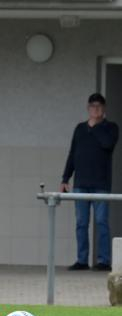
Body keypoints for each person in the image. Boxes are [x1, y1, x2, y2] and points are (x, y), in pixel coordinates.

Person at [61, 93, 119, 271]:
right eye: (93, 106)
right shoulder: (79, 129)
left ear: (104, 109)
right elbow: (72, 154)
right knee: (81, 223)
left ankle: (103, 260)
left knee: (101, 222)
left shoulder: (111, 127)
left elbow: (108, 144)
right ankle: (82, 260)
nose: (96, 109)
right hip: (80, 184)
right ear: (88, 108)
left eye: (100, 106)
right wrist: (65, 178)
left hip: (101, 184)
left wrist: (95, 127)